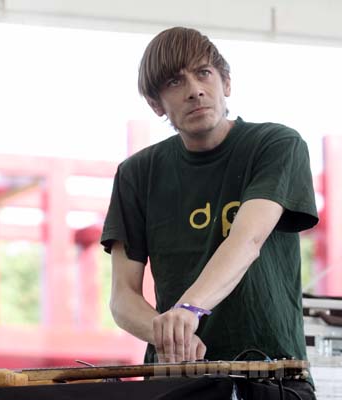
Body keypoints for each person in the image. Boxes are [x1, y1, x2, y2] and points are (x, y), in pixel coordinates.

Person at [100, 27, 319, 398]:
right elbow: (122, 298)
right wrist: (167, 333)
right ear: (156, 104)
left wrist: (188, 310)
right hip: (178, 379)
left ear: (226, 83)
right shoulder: (136, 174)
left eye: (203, 73)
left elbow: (247, 239)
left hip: (272, 374)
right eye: (174, 81)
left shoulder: (277, 145)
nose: (194, 90)